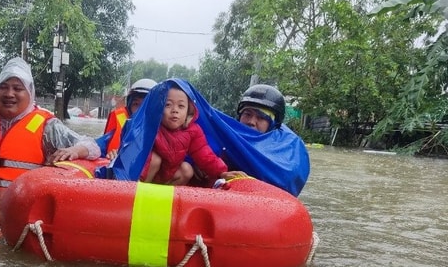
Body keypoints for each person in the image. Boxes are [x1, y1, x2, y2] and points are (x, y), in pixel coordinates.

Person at [104, 78, 309, 196]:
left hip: (245, 196)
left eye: (261, 118)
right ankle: (131, 195)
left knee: (185, 168)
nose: (251, 122)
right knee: (174, 164)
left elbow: (204, 154)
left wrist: (220, 173)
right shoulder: (229, 137)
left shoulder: (283, 148)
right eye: (247, 114)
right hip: (149, 175)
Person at [0, 57, 101, 188]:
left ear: (30, 93)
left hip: (18, 212)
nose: (9, 94)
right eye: (3, 87)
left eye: (17, 88)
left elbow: (93, 146)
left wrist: (76, 150)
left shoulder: (47, 127)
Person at [140, 85, 228, 185]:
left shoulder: (193, 131)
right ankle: (134, 192)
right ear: (159, 108)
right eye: (168, 105)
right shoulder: (151, 126)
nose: (174, 110)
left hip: (167, 177)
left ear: (188, 111)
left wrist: (222, 172)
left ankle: (166, 198)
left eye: (181, 106)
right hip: (144, 177)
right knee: (155, 159)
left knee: (187, 170)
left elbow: (204, 154)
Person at [101, 78, 157, 158]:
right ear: (129, 106)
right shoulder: (121, 122)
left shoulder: (165, 127)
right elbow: (97, 145)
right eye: (136, 104)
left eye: (146, 104)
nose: (140, 110)